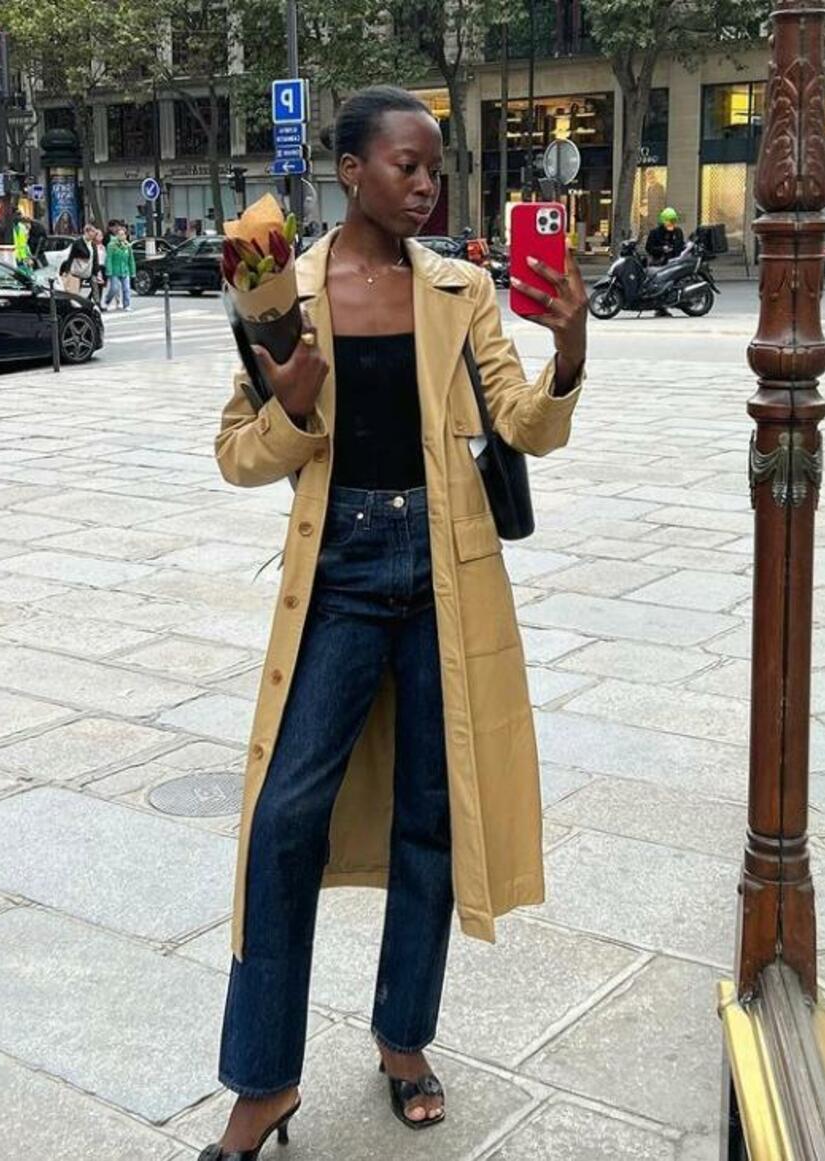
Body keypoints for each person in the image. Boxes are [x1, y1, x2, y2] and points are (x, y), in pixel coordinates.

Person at [203, 85, 586, 1160]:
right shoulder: (277, 289)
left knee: (432, 813)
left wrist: (570, 353)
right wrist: (289, 405)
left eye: (434, 169)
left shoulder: (461, 289)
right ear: (350, 171)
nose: (425, 186)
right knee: (283, 820)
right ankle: (263, 1082)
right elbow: (236, 456)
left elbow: (521, 423)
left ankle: (403, 1038)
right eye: (405, 166)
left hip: (445, 568)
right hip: (338, 571)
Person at [645, 207, 685, 317]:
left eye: (673, 221)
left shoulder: (678, 232)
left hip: (674, 261)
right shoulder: (655, 233)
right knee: (659, 285)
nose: (671, 223)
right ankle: (660, 308)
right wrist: (662, 249)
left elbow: (681, 245)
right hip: (659, 262)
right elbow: (649, 248)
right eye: (669, 221)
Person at [60, 223, 101, 297]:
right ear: (87, 232)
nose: (94, 234)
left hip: (89, 270)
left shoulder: (92, 244)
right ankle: (75, 300)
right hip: (79, 270)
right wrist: (67, 271)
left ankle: (96, 302)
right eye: (92, 232)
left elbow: (95, 258)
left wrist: (97, 271)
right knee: (76, 288)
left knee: (95, 286)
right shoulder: (78, 243)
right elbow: (71, 257)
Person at [103, 224, 135, 310]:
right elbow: (109, 258)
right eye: (120, 234)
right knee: (114, 288)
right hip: (115, 270)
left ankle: (127, 305)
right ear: (117, 235)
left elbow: (131, 260)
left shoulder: (127, 246)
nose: (122, 236)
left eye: (124, 234)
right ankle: (107, 301)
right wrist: (109, 270)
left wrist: (132, 271)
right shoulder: (111, 245)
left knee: (126, 288)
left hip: (125, 270)